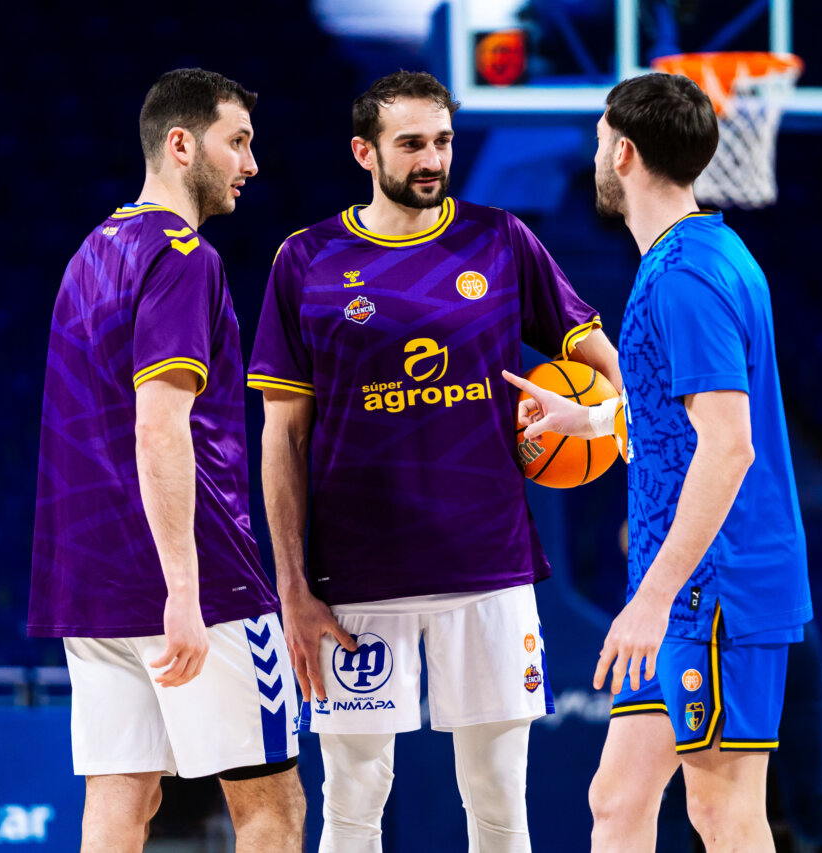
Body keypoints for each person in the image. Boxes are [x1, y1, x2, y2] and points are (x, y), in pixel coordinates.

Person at [248, 70, 622, 853]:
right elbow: (281, 437)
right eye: (412, 143)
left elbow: (606, 365)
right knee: (353, 804)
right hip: (355, 576)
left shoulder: (502, 240)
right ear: (364, 151)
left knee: (499, 801)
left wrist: (602, 422)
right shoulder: (306, 259)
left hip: (488, 566)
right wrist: (291, 587)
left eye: (443, 141)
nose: (431, 159)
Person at [503, 71, 813, 852]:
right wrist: (591, 418)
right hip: (683, 591)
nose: (596, 155)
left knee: (723, 810)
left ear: (626, 154)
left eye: (600, 141)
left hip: (715, 587)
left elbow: (730, 444)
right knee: (617, 799)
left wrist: (653, 596)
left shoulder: (686, 279)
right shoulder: (694, 256)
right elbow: (682, 419)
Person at [28, 68, 303, 853]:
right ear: (181, 144)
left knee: (121, 802)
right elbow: (158, 427)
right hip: (197, 578)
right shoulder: (184, 256)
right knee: (270, 803)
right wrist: (183, 589)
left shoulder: (90, 252)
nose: (251, 164)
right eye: (237, 142)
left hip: (91, 578)